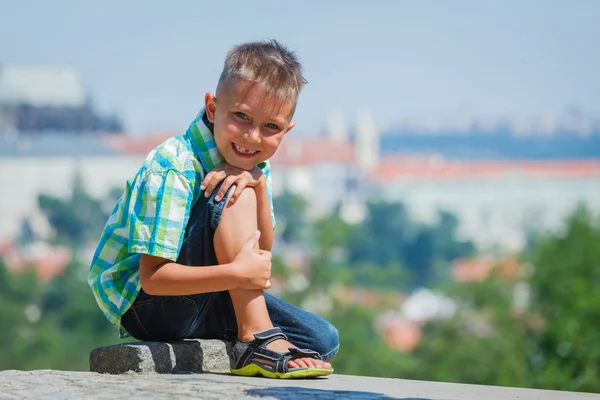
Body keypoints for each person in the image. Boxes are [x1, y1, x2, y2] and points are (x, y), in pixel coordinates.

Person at [88, 39, 338, 379]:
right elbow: (154, 278)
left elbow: (259, 251)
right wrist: (235, 274)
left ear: (286, 130)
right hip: (147, 305)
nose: (252, 137)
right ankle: (253, 339)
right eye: (241, 116)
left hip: (208, 291)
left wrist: (259, 186)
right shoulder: (173, 166)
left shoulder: (251, 164)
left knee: (321, 339)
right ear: (212, 107)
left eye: (270, 127)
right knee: (233, 194)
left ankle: (251, 338)